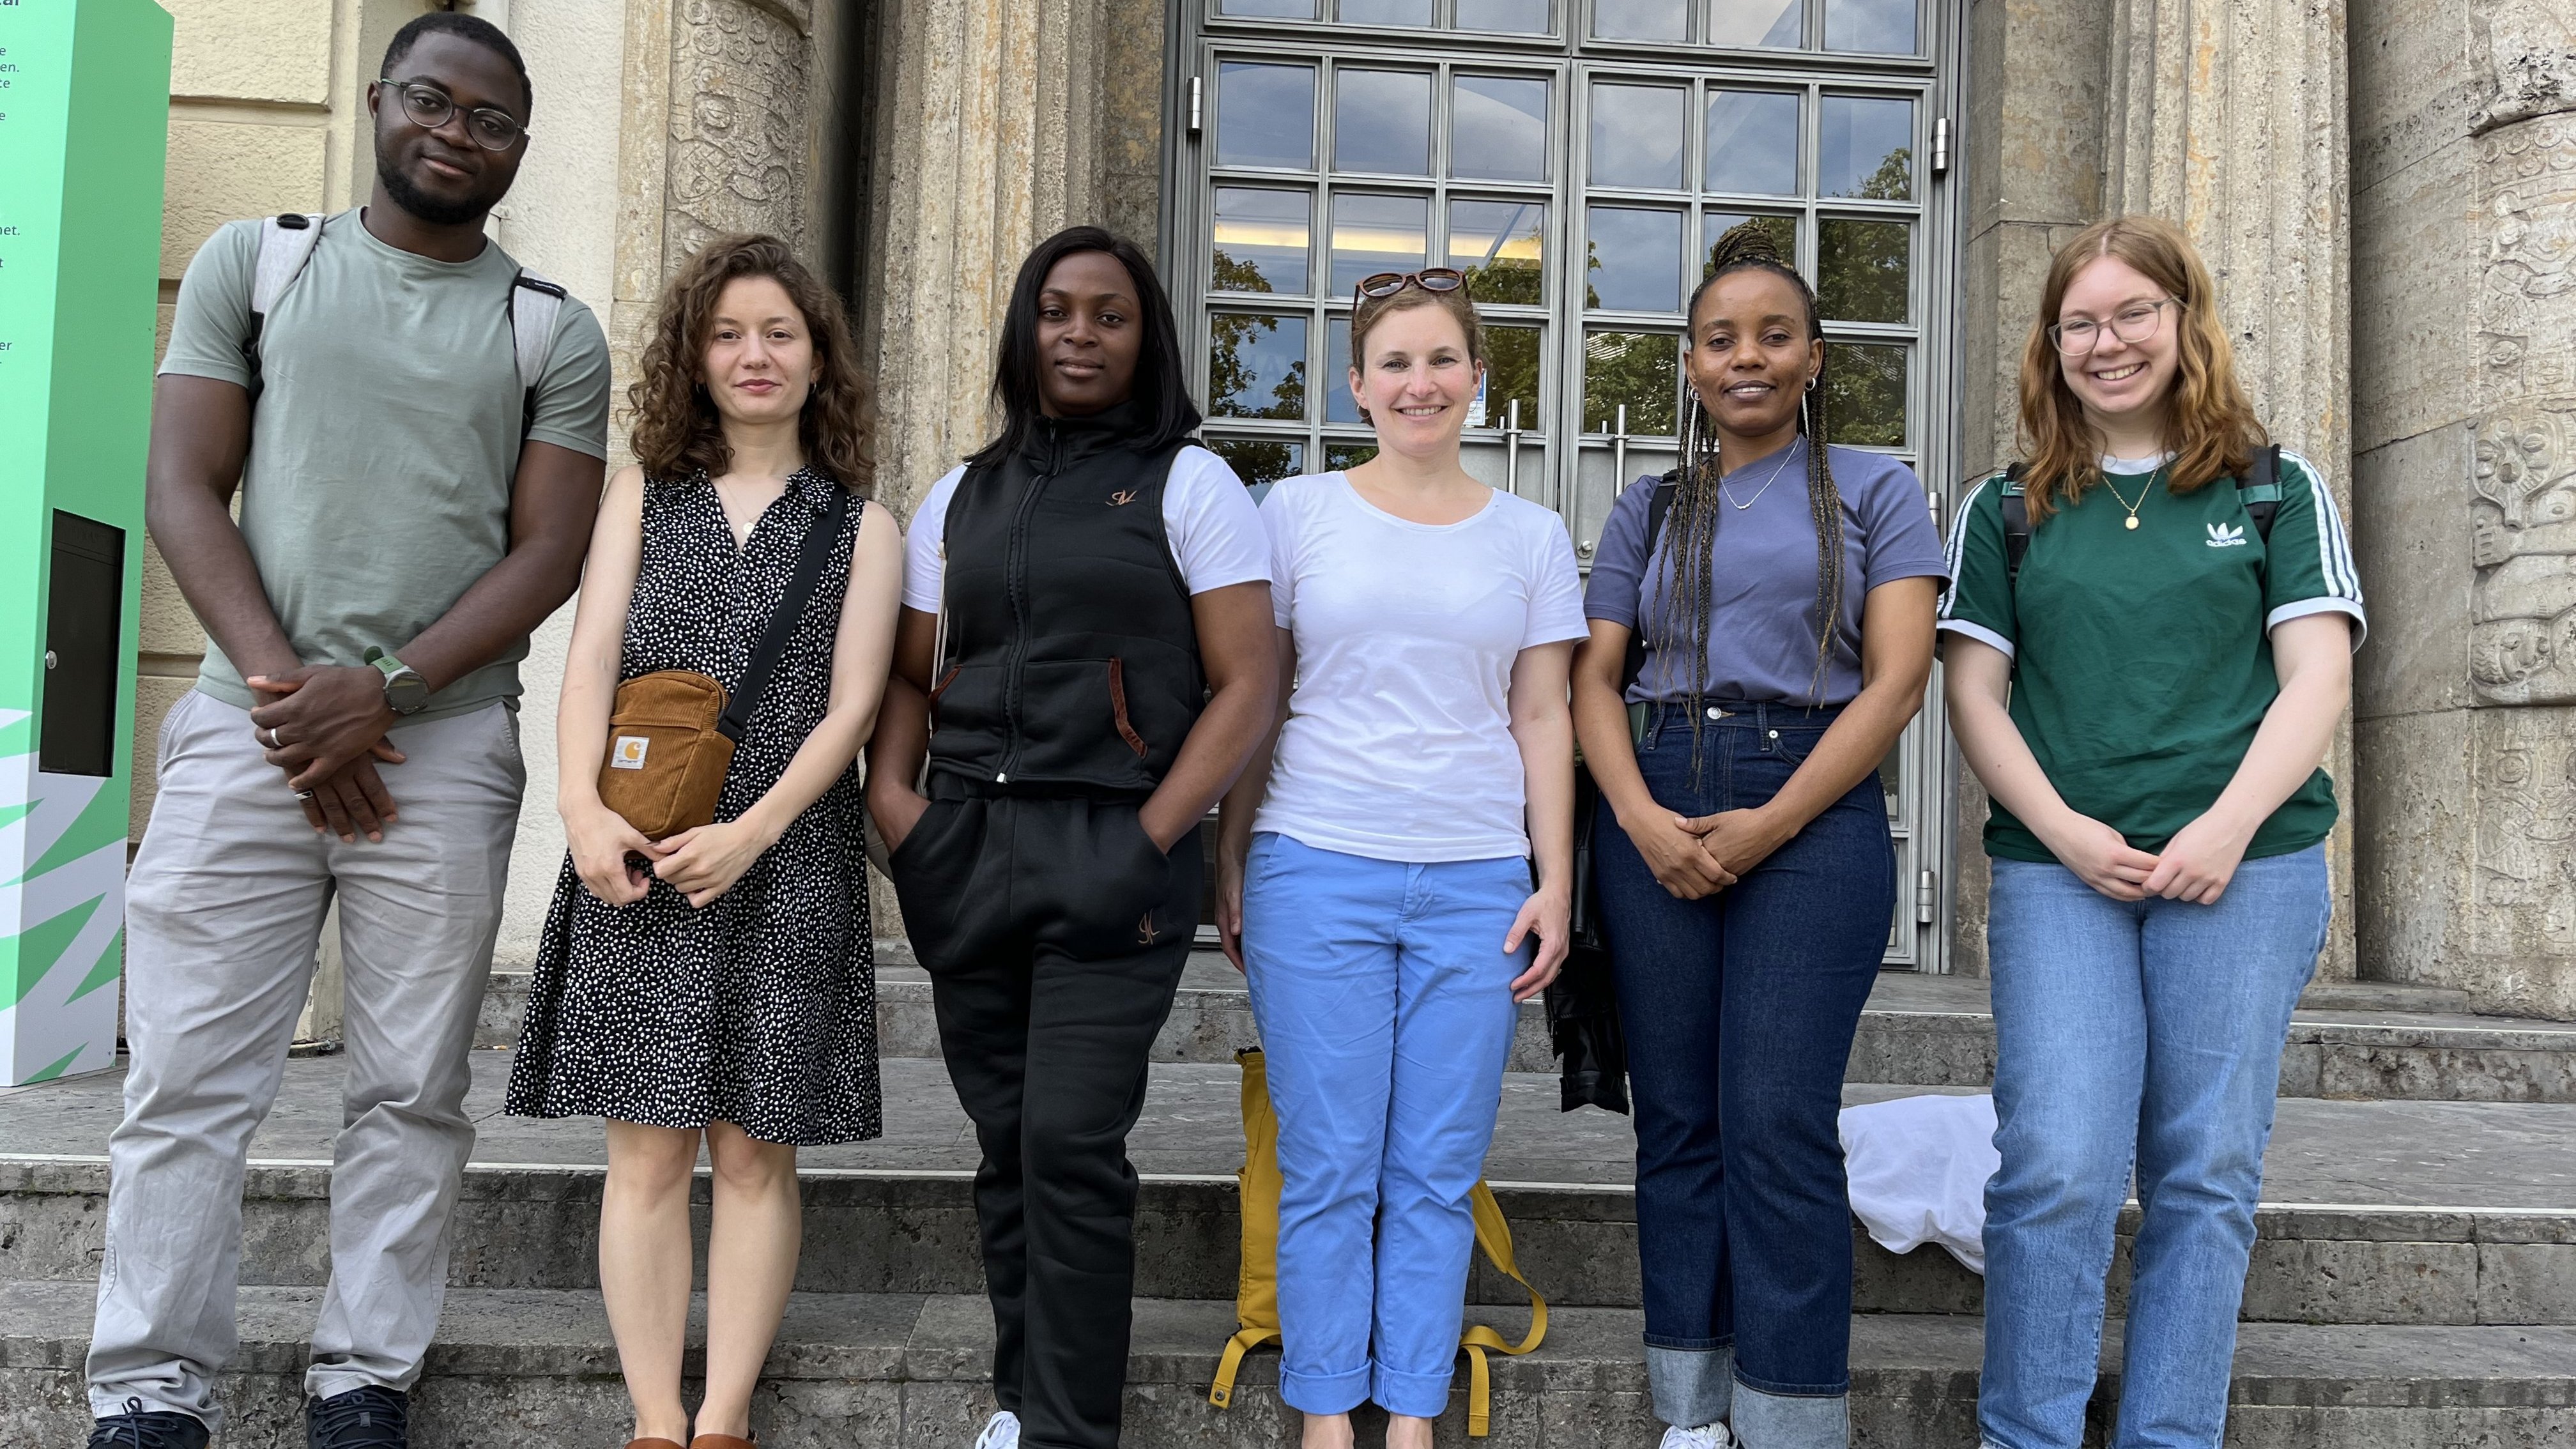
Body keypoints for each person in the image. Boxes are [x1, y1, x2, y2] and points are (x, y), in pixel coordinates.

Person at [84, 15, 611, 1449]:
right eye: (432, 101)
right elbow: (184, 485)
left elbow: (546, 553)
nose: (457, 132)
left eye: (491, 118)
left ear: (517, 146)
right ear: (380, 103)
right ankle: (148, 1390)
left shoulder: (549, 329)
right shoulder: (262, 264)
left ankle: (361, 1377)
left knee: (411, 1088)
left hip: (435, 756)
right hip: (247, 726)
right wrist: (290, 697)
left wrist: (376, 693)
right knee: (185, 1076)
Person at [1938, 215, 2363, 1449]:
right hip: (2063, 871)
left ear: (2185, 322)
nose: (2106, 342)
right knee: (2057, 1168)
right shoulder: (2006, 507)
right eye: (2080, 322)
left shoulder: (2273, 488)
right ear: (2050, 344)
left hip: (2247, 867)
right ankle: (2028, 1433)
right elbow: (1973, 694)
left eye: (2133, 314)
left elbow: (2316, 681)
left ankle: (2171, 1436)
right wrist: (2067, 832)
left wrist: (2228, 829)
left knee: (2205, 1174)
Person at [862, 227, 1278, 1449]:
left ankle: (1068, 1430)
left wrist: (1153, 833)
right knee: (1006, 1147)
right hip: (968, 853)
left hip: (1115, 856)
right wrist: (901, 811)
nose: (1081, 335)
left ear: (1144, 337)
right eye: (1058, 311)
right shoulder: (960, 494)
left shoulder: (1191, 485)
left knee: (1069, 1143)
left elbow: (1246, 685)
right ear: (1025, 330)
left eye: (1110, 315)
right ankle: (1018, 1402)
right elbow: (909, 674)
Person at [500, 234, 901, 1449]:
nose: (754, 354)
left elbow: (854, 710)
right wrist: (580, 814)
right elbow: (589, 669)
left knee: (755, 1155)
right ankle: (653, 1420)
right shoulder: (642, 494)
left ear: (817, 355)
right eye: (728, 333)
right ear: (695, 356)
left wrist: (757, 832)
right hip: (637, 864)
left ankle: (723, 1417)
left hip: (786, 873)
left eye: (779, 331)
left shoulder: (862, 525)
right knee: (647, 1157)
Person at [1568, 222, 1946, 1449]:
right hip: (1656, 793)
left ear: (1815, 358)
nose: (1748, 358)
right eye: (1722, 340)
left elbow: (1894, 685)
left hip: (1814, 801)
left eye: (1774, 337)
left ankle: (1791, 1422)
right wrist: (1637, 819)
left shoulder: (1878, 490)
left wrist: (1767, 826)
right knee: (1678, 1120)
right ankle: (1692, 1414)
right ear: (1688, 366)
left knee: (1778, 1119)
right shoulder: (1651, 504)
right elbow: (1594, 680)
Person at [1214, 267, 1582, 1449]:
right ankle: (1328, 1409)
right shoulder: (1296, 514)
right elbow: (1255, 704)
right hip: (1315, 866)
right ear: (1357, 385)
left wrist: (1556, 880)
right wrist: (1232, 859)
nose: (1419, 383)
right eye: (1395, 363)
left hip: (1476, 877)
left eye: (1441, 360)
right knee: (1328, 1161)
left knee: (1435, 1162)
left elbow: (1544, 718)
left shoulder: (1532, 535)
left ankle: (1411, 1407)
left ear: (1478, 377)